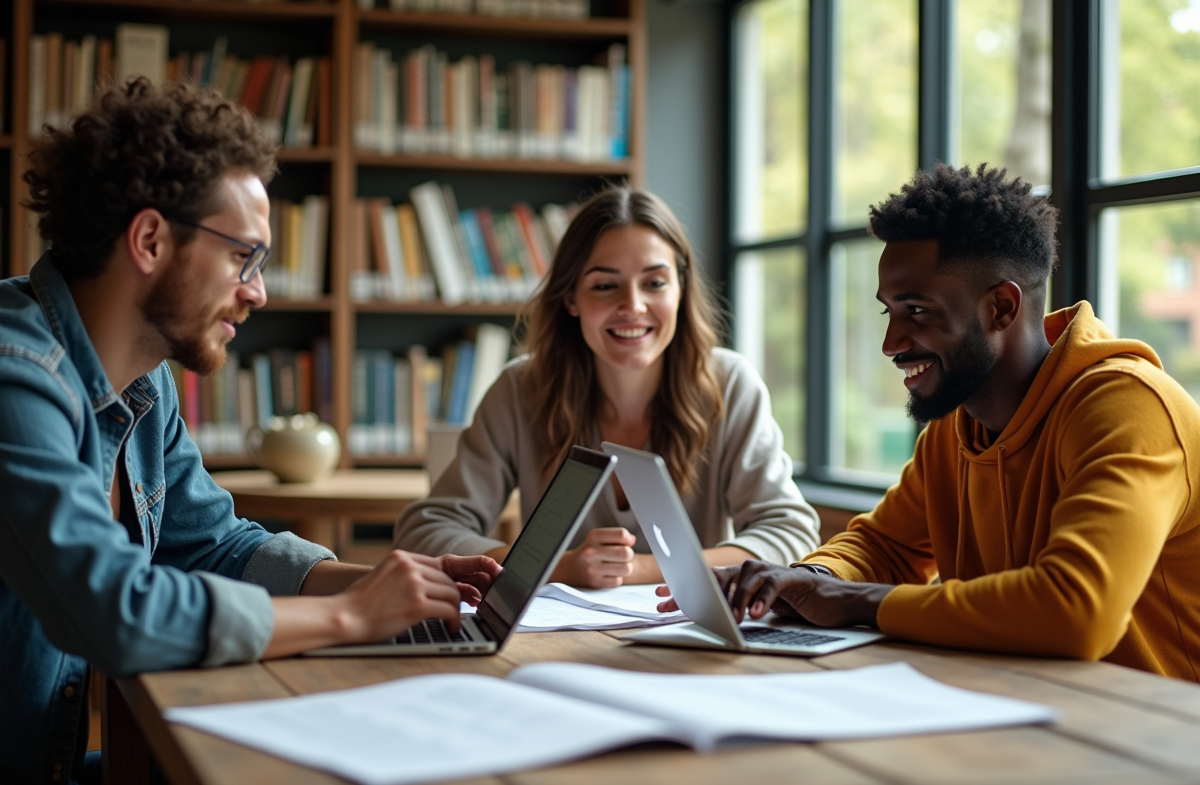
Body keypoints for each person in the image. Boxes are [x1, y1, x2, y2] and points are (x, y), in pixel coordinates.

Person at [0, 78, 500, 785]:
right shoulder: (14, 376)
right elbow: (114, 610)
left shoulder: (143, 383)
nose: (259, 291)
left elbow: (215, 543)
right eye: (244, 256)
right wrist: (352, 617)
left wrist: (394, 584)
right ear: (149, 239)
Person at [665, 163, 1200, 681]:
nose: (891, 343)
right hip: (1030, 712)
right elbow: (886, 547)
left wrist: (851, 600)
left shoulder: (1128, 407)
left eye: (916, 312)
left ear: (1002, 309)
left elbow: (1077, 611)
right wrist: (805, 579)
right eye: (888, 311)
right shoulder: (958, 417)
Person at [394, 186, 820, 588]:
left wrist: (638, 570)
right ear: (571, 298)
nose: (632, 306)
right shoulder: (520, 388)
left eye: (655, 283)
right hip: (556, 643)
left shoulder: (730, 384)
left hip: (691, 645)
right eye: (604, 285)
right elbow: (424, 531)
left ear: (680, 289)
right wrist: (558, 565)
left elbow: (792, 533)